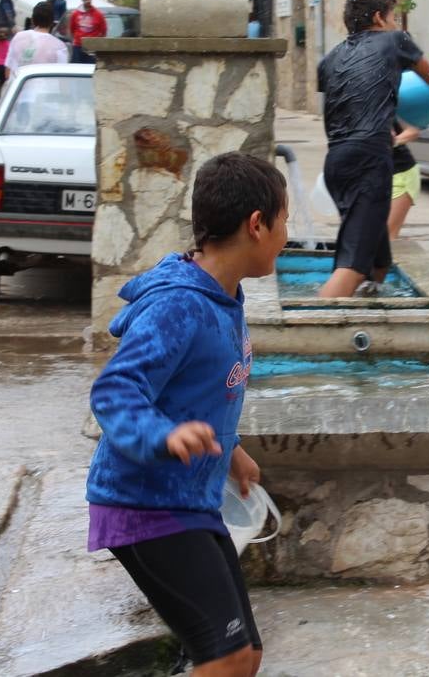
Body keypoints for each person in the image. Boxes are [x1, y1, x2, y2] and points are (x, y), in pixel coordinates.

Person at [86, 151, 286, 677]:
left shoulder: (223, 295)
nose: (288, 235)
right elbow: (114, 392)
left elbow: (198, 386)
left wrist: (233, 449)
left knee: (247, 656)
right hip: (143, 502)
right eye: (283, 221)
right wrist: (165, 435)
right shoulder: (179, 305)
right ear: (257, 224)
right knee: (228, 658)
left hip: (188, 499)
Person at [315, 0, 429, 298]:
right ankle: (309, 331)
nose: (395, 22)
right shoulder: (395, 41)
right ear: (378, 18)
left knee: (378, 261)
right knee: (354, 267)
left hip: (336, 162)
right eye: (393, 16)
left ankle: (370, 307)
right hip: (370, 161)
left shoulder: (329, 60)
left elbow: (345, 102)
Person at [3, 0, 68, 83]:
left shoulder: (18, 37)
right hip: (45, 94)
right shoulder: (59, 46)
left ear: (32, 20)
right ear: (52, 22)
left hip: (17, 92)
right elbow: (62, 80)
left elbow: (8, 72)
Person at [387, 121, 421, 241]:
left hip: (399, 173)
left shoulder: (389, 104)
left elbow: (413, 131)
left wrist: (391, 142)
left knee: (385, 237)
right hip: (367, 176)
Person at [68, 0, 107, 64]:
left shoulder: (98, 14)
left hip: (92, 47)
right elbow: (72, 29)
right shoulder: (76, 14)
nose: (88, 1)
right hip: (78, 46)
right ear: (82, 0)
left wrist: (97, 42)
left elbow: (103, 30)